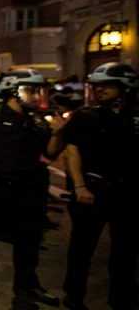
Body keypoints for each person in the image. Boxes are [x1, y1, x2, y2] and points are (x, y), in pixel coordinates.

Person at [0, 69, 63, 309]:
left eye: (39, 90)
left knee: (29, 240)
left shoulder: (37, 121)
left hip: (29, 190)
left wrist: (59, 132)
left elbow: (49, 153)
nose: (38, 96)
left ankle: (26, 285)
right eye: (32, 90)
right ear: (15, 91)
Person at [60, 62, 138, 310]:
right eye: (97, 86)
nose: (100, 90)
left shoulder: (134, 116)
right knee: (82, 249)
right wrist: (80, 186)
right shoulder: (86, 115)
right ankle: (74, 297)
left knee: (125, 251)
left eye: (107, 86)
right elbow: (72, 151)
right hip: (93, 189)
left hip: (127, 192)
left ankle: (121, 298)